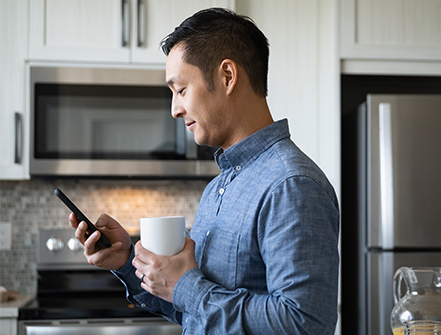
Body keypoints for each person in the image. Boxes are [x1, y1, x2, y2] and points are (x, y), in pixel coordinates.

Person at [69, 8, 339, 334]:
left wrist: (186, 286)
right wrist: (128, 261)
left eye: (181, 90)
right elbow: (195, 312)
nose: (174, 109)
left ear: (227, 76)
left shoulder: (291, 185)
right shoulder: (218, 188)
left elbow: (305, 324)